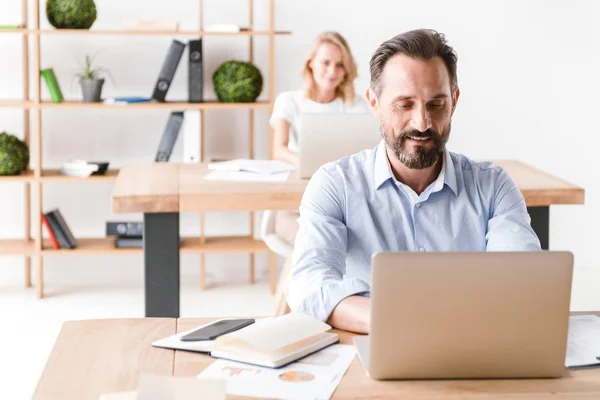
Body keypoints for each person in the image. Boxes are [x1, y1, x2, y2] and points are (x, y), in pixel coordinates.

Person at [284, 29, 541, 334]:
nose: (422, 123)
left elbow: (522, 283)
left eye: (436, 105)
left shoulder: (493, 186)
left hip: (472, 351)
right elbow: (309, 286)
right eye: (404, 105)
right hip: (372, 347)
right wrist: (402, 321)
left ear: (454, 102)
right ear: (374, 102)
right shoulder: (334, 184)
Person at [268, 31, 369, 247]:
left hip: (342, 205)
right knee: (313, 244)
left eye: (340, 65)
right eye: (326, 63)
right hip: (296, 204)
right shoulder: (289, 101)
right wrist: (313, 166)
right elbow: (279, 149)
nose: (332, 71)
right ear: (311, 63)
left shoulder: (357, 105)